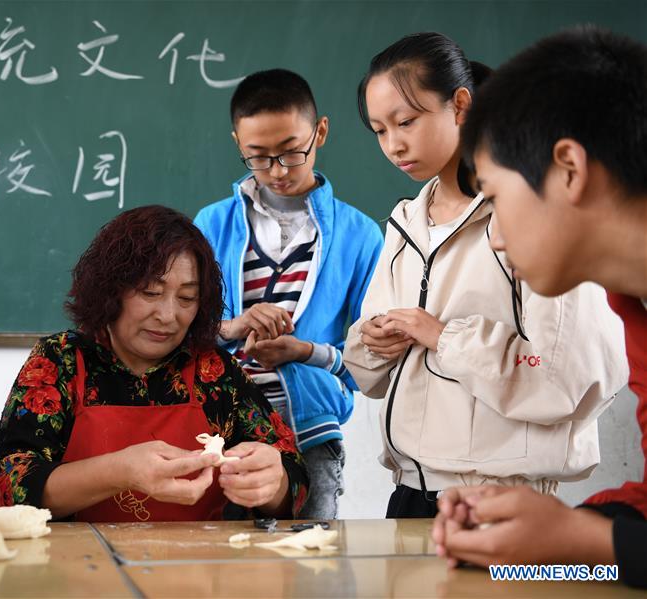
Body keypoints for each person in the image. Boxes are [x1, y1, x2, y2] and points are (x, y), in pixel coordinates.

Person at [343, 32, 627, 518]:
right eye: (379, 131)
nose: (394, 144)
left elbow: (568, 377)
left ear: (460, 104)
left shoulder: (534, 214)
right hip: (410, 493)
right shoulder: (405, 223)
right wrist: (373, 343)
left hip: (501, 499)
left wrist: (443, 337)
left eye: (406, 121)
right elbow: (367, 373)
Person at [433, 26, 647, 589]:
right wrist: (540, 537)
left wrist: (585, 542)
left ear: (569, 170)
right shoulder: (635, 308)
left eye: (497, 199)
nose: (497, 238)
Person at [0, 205, 309, 521]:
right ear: (111, 289)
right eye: (151, 292)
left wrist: (273, 482)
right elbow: (5, 484)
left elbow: (293, 478)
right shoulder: (62, 360)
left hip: (203, 569)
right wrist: (119, 472)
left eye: (186, 298)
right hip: (80, 569)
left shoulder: (216, 372)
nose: (167, 316)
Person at [194, 69, 384, 520]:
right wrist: (231, 327)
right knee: (217, 573)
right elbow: (180, 332)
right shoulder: (210, 225)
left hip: (312, 432)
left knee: (310, 571)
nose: (277, 171)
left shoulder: (359, 235)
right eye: (258, 157)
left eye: (292, 153)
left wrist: (306, 352)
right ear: (238, 143)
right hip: (219, 430)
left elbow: (370, 358)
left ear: (320, 132)